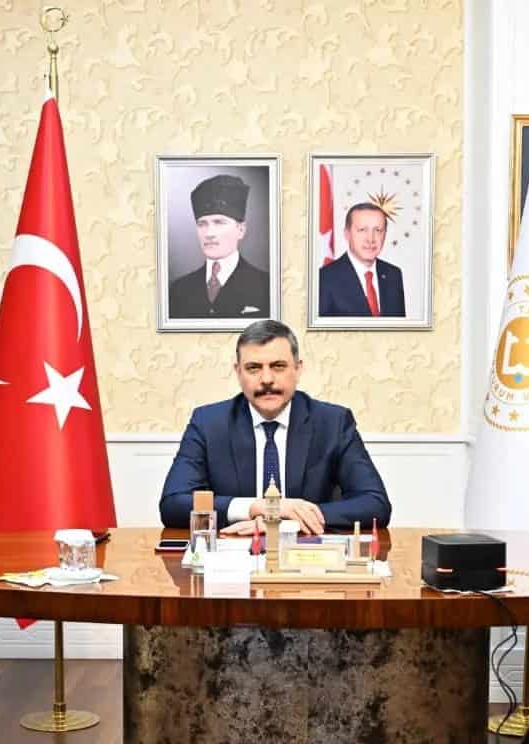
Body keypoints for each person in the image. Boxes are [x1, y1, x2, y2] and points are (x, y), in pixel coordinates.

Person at [158, 320, 391, 534]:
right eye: (253, 368)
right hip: (234, 553)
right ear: (238, 372)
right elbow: (173, 503)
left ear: (298, 369)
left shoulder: (333, 422)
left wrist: (286, 521)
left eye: (278, 366)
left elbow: (375, 504)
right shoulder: (209, 423)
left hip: (306, 553)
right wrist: (255, 508)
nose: (267, 379)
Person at [168, 173, 271, 319]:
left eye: (219, 222)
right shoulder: (179, 290)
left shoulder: (267, 286)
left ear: (241, 230)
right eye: (202, 224)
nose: (209, 233)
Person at [318, 202, 406, 318]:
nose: (370, 239)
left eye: (378, 230)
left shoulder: (393, 274)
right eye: (362, 230)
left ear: (385, 234)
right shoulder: (324, 278)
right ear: (347, 234)